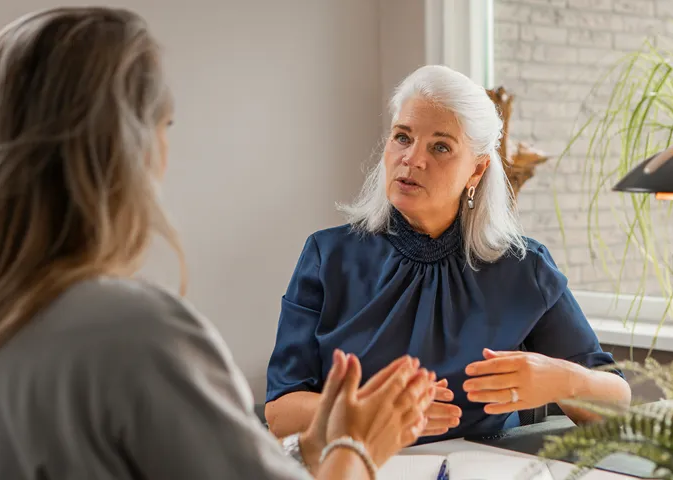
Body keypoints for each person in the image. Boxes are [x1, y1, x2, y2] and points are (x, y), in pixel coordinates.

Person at [0, 7, 435, 480]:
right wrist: (356, 449)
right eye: (165, 124)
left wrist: (311, 449)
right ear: (129, 149)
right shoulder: (136, 334)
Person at [264, 65, 632, 444]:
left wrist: (564, 381)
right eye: (402, 137)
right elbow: (280, 412)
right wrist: (368, 414)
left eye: (440, 147)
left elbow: (617, 402)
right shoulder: (328, 257)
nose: (412, 158)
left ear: (477, 170)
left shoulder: (525, 268)